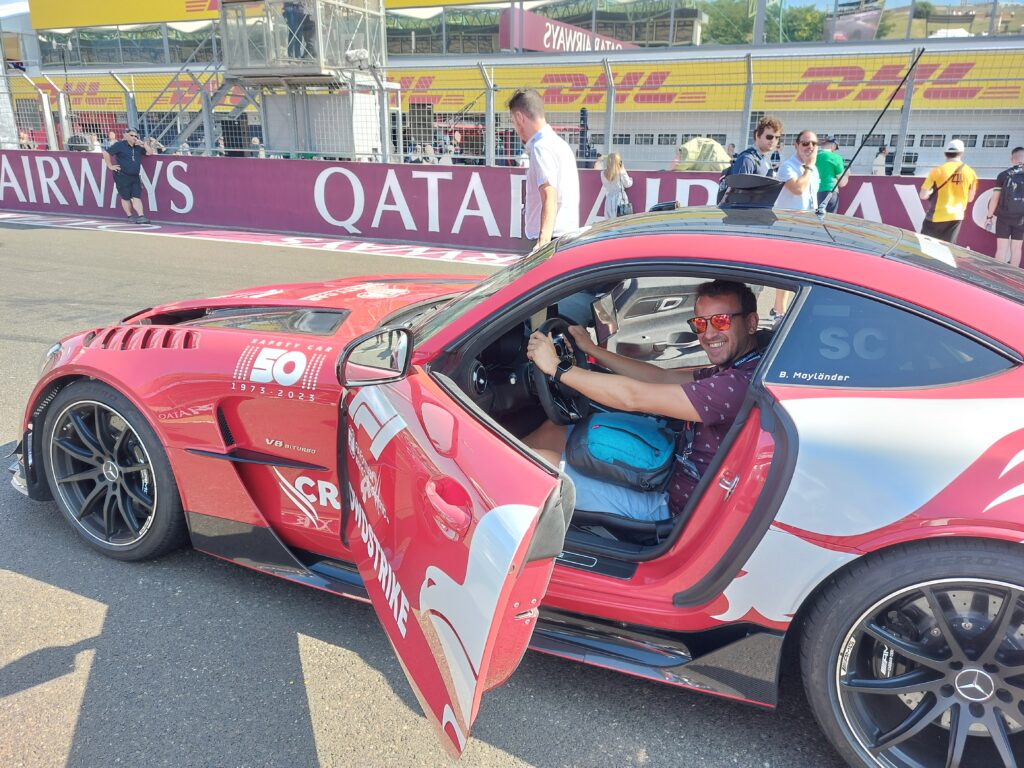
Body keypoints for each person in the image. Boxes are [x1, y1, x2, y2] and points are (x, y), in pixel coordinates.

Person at [524, 280, 761, 522]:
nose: (709, 334)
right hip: (670, 464)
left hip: (668, 505)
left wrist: (557, 368)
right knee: (556, 429)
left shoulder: (737, 386)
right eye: (701, 324)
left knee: (537, 468)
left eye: (721, 321)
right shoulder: (740, 368)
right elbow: (662, 376)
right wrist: (592, 350)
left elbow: (633, 397)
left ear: (751, 323)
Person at [508, 88, 580, 251]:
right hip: (563, 236)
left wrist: (543, 242)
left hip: (551, 239)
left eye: (513, 121)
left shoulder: (542, 148)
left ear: (520, 117)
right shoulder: (559, 144)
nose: (516, 129)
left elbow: (549, 194)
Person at [919, 138, 978, 245]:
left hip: (935, 216)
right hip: (956, 217)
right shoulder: (971, 172)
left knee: (926, 248)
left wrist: (930, 192)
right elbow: (970, 199)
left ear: (945, 154)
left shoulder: (937, 171)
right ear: (961, 153)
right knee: (947, 249)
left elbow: (923, 195)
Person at [102, 128, 155, 224]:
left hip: (135, 176)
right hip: (122, 176)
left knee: (136, 196)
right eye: (132, 135)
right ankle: (130, 216)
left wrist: (144, 144)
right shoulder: (119, 145)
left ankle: (141, 216)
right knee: (125, 197)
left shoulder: (138, 147)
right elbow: (106, 152)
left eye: (135, 136)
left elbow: (150, 152)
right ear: (126, 136)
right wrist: (110, 166)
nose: (134, 137)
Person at [986, 146, 1024, 268]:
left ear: (1012, 160)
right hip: (1021, 219)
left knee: (1001, 248)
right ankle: (1012, 277)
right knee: (1016, 249)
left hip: (1003, 217)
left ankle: (997, 277)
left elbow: (995, 199)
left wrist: (989, 216)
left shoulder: (1003, 175)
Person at [775, 130, 820, 212]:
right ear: (796, 146)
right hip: (789, 221)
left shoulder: (814, 169)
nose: (810, 147)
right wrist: (809, 165)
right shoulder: (787, 166)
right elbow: (798, 189)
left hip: (809, 220)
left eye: (814, 144)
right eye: (805, 143)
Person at [815, 135, 848, 213]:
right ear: (833, 145)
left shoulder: (812, 156)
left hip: (813, 192)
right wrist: (847, 173)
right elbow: (842, 183)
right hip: (829, 191)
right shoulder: (836, 158)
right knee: (829, 220)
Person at [600, 152, 633, 219]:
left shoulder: (603, 173)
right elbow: (628, 184)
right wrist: (630, 178)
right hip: (620, 199)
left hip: (609, 199)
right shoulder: (621, 172)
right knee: (621, 220)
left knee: (609, 221)